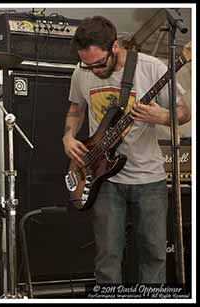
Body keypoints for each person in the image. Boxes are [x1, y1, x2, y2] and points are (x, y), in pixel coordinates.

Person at [62, 16, 191, 284]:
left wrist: (162, 117)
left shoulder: (152, 68)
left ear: (116, 46)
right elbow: (76, 109)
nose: (93, 70)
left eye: (99, 63)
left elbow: (183, 112)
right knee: (107, 257)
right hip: (104, 177)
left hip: (149, 178)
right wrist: (68, 136)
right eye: (87, 64)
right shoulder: (81, 71)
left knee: (154, 255)